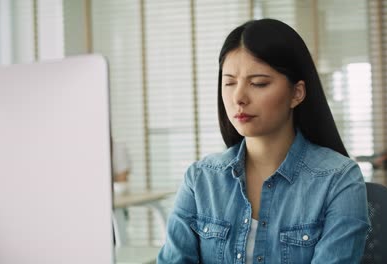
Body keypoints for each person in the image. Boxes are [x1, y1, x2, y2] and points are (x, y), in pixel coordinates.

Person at [157, 18, 369, 263]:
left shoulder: (338, 178)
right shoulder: (200, 179)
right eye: (229, 82)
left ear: (296, 93)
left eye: (258, 83)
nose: (239, 97)